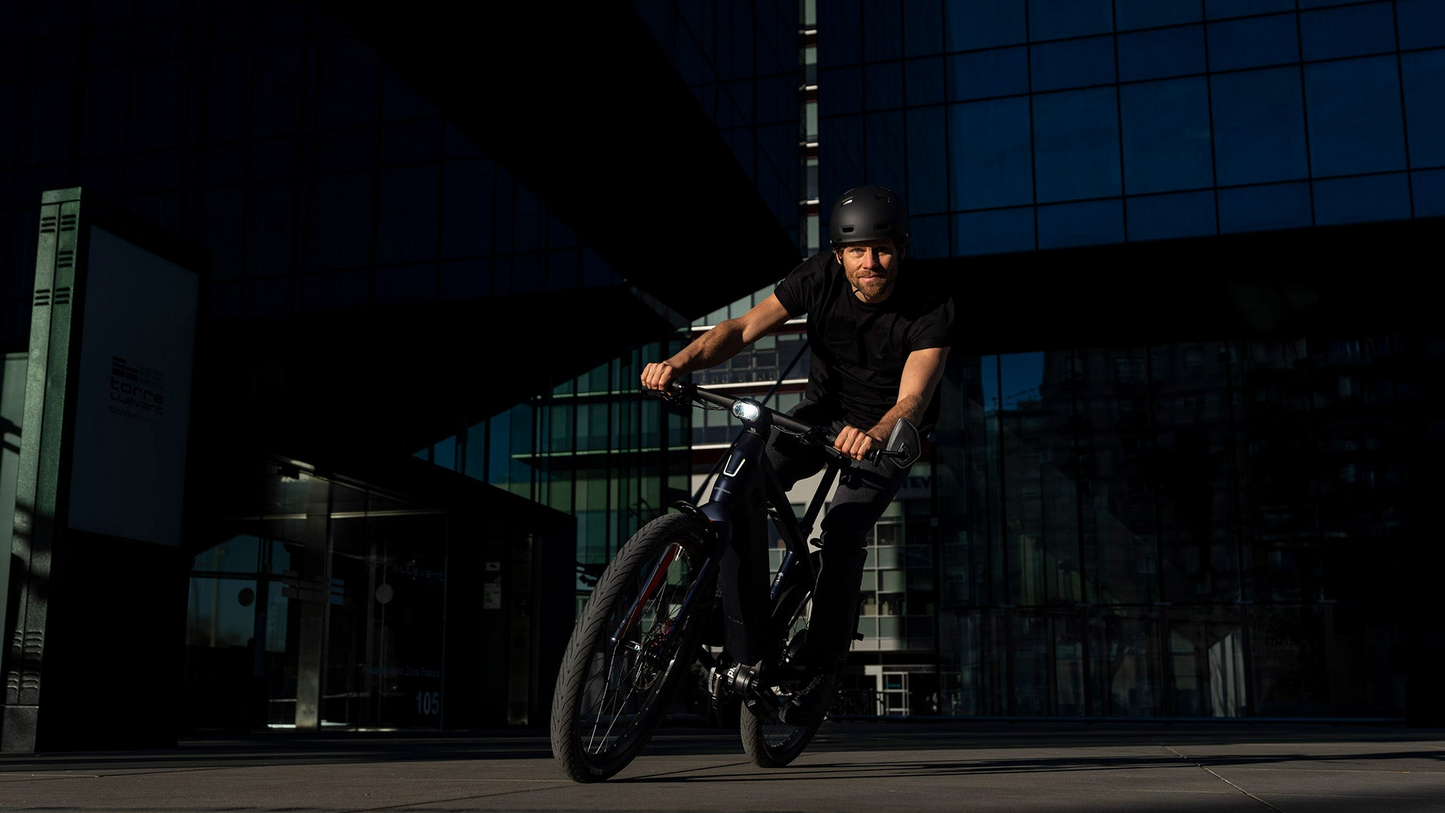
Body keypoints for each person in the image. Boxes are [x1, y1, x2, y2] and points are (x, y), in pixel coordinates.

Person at [640, 184, 955, 725]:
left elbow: (913, 398)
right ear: (840, 255)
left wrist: (875, 432)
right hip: (819, 415)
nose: (870, 263)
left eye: (882, 249)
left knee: (842, 529)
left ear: (901, 248)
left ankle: (820, 663)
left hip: (887, 434)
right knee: (740, 487)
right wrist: (678, 364)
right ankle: (731, 613)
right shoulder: (819, 276)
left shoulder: (932, 305)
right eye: (857, 251)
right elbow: (741, 328)